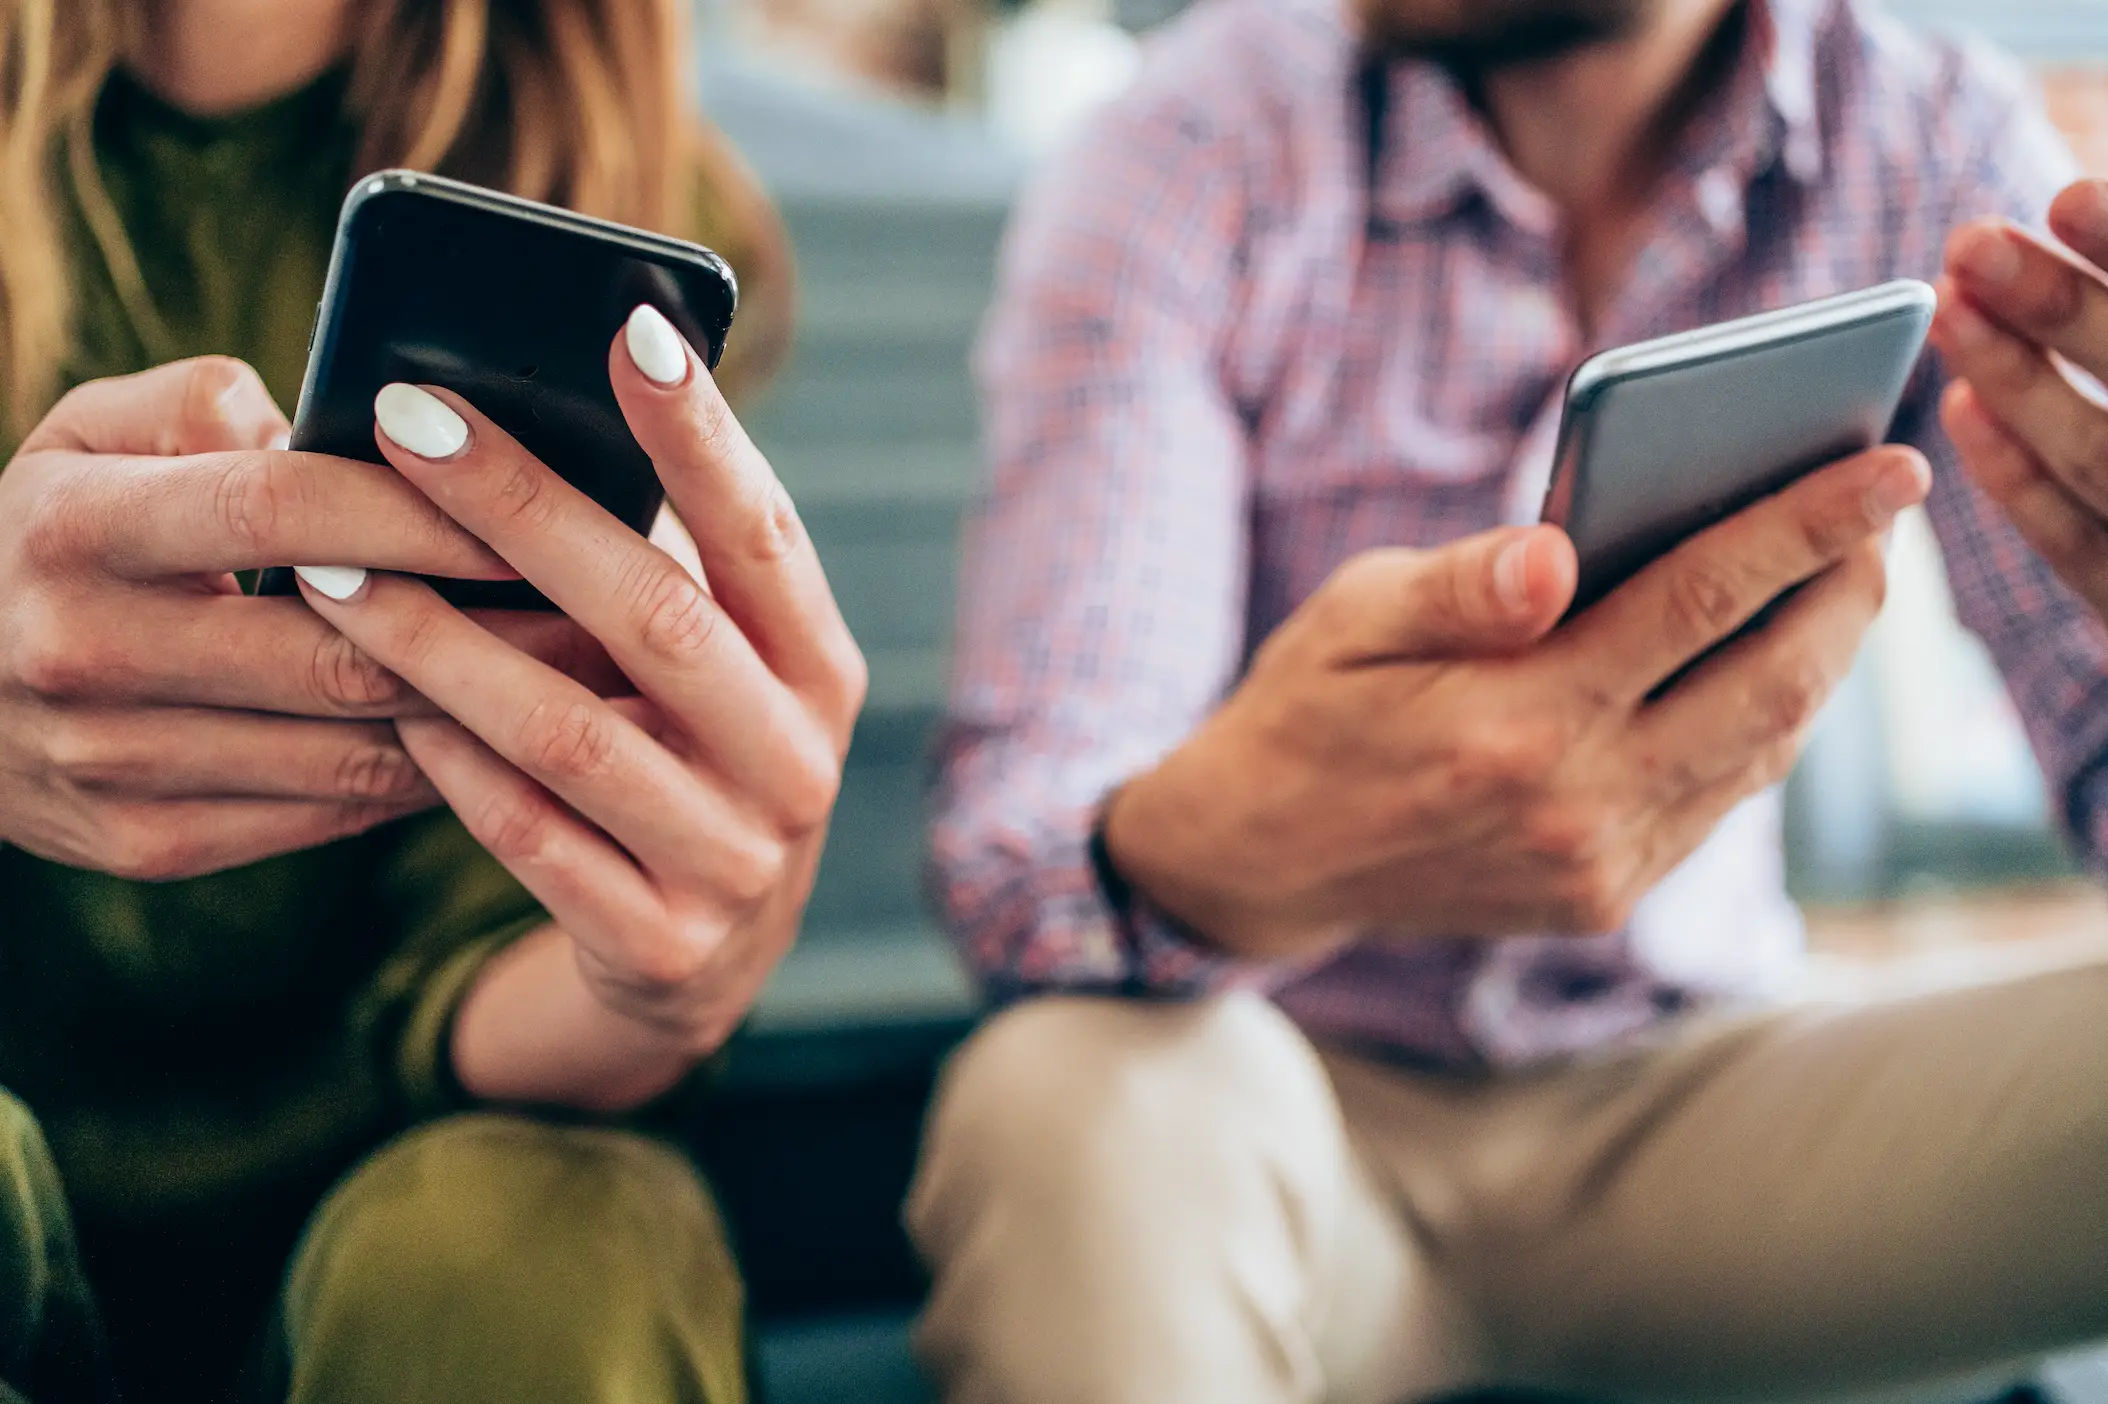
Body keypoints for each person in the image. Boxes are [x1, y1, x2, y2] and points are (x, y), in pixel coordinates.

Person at [912, 0, 2108, 1397]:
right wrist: (1227, 847)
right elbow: (1020, 840)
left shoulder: (1928, 138)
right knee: (1055, 1096)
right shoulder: (1192, 142)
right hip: (1278, 1101)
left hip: (1712, 1098)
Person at [0, 2, 865, 1402]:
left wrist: (666, 981)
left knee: (527, 1263)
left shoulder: (599, 173)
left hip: (416, 1193)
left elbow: (487, 969)